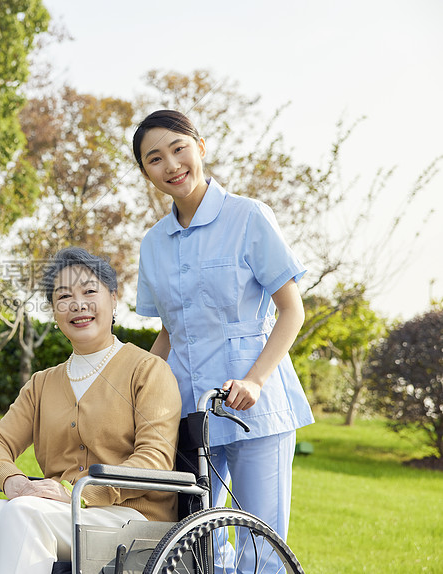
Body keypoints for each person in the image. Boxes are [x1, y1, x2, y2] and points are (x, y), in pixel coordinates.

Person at [0, 247, 181, 574]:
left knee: (22, 515)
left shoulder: (147, 370)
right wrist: (13, 482)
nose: (78, 304)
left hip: (133, 522)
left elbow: (155, 461)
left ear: (114, 299)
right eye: (64, 296)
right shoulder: (43, 383)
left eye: (90, 291)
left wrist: (80, 492)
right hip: (57, 512)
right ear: (54, 311)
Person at [132, 109, 314, 560]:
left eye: (179, 149)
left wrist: (254, 380)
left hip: (255, 408)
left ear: (201, 147)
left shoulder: (249, 217)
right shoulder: (154, 242)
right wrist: (135, 390)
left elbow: (291, 311)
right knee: (196, 545)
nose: (171, 165)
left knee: (262, 546)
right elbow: (168, 334)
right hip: (188, 413)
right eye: (155, 159)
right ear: (145, 172)